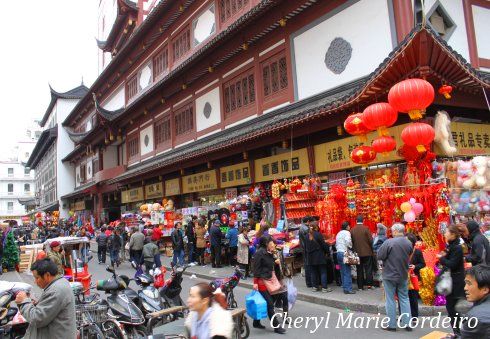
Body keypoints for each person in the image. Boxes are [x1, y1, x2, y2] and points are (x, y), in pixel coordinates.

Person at [15, 258, 76, 339]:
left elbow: (37, 319)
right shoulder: (60, 283)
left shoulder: (56, 290)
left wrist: (24, 302)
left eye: (37, 278)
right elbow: (49, 309)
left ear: (47, 275)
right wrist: (35, 304)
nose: (35, 282)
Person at [377, 223, 413, 332]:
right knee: (404, 298)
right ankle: (407, 323)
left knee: (390, 299)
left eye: (392, 231)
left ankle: (392, 325)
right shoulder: (408, 243)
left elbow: (380, 255)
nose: (392, 233)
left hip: (389, 274)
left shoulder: (389, 242)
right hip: (403, 273)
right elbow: (409, 254)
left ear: (396, 231)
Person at [252, 237, 286, 334]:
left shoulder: (270, 252)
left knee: (271, 300)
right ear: (266, 243)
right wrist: (255, 283)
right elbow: (256, 269)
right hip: (262, 281)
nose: (273, 244)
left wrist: (274, 257)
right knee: (270, 304)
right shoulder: (259, 253)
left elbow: (270, 265)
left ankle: (256, 321)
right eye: (271, 242)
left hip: (270, 279)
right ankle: (276, 326)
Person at [438, 224, 465, 337]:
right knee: (451, 307)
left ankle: (458, 331)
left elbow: (452, 264)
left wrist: (442, 258)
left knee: (451, 307)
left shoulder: (457, 248)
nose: (444, 234)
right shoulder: (450, 246)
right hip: (451, 280)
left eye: (447, 232)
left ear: (453, 234)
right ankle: (458, 329)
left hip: (455, 281)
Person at [461, 264, 490, 338]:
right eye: (465, 283)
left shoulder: (474, 318)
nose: (465, 288)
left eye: (469, 283)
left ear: (485, 289)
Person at [304, 221, 332, 292]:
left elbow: (305, 247)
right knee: (323, 272)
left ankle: (315, 287)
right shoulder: (318, 234)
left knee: (313, 272)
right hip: (319, 256)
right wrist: (327, 252)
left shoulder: (307, 236)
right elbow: (323, 245)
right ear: (316, 227)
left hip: (310, 257)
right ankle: (324, 288)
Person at [351, 215, 374, 290]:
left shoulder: (352, 230)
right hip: (367, 252)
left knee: (359, 269)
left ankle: (360, 286)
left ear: (356, 221)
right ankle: (369, 285)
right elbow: (371, 241)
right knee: (368, 269)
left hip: (357, 253)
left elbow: (351, 242)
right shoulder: (366, 228)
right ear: (363, 221)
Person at [406, 233, 425, 319]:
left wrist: (415, 266)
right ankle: (405, 315)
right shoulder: (403, 250)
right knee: (404, 298)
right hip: (405, 276)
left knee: (413, 297)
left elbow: (423, 264)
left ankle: (414, 316)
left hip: (413, 277)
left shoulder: (417, 251)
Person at [336, 221, 355, 294]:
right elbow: (348, 242)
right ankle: (348, 289)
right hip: (344, 253)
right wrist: (350, 246)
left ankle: (345, 287)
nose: (350, 228)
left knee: (342, 271)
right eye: (349, 226)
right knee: (347, 271)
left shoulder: (339, 233)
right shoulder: (347, 233)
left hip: (338, 253)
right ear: (347, 227)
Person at [299, 216, 313, 288]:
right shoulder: (306, 229)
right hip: (306, 248)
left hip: (304, 248)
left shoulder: (302, 227)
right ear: (308, 221)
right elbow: (308, 239)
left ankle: (309, 282)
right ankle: (309, 282)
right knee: (308, 265)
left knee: (307, 265)